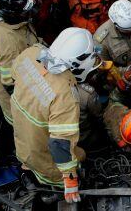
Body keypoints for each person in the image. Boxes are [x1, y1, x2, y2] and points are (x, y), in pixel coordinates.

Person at [10, 27, 101, 200]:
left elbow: (10, 80)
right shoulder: (65, 93)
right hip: (44, 157)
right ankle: (55, 194)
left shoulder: (31, 53)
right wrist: (70, 180)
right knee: (78, 159)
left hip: (22, 141)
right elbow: (60, 144)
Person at [0, 0, 40, 126]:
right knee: (22, 125)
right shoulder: (8, 44)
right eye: (23, 12)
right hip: (19, 96)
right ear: (11, 15)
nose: (27, 14)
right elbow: (11, 83)